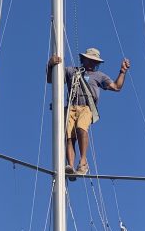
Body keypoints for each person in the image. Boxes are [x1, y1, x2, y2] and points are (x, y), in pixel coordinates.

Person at [46, 47, 130, 176]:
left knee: (81, 128)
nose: (93, 63)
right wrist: (50, 65)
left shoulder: (99, 76)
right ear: (84, 59)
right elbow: (51, 79)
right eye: (90, 60)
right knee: (69, 136)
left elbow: (116, 87)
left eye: (95, 62)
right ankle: (70, 166)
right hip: (71, 107)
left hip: (86, 108)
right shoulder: (71, 71)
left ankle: (83, 161)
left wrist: (122, 71)